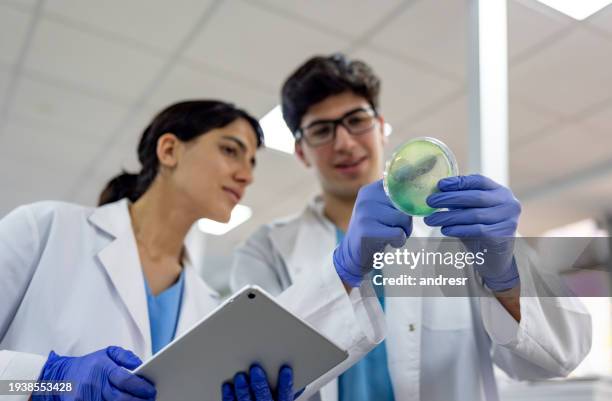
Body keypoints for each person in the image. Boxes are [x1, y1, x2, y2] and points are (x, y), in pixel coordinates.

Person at [230, 54, 593, 401]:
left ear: (381, 127)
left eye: (356, 120)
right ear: (300, 151)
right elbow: (255, 369)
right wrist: (341, 270)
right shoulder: (267, 249)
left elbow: (561, 355)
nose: (344, 142)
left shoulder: (456, 231)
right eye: (321, 130)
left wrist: (506, 275)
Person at [0, 100, 381, 401]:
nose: (246, 175)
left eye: (251, 163)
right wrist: (50, 381)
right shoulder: (46, 229)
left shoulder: (209, 305)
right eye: (231, 150)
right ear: (169, 150)